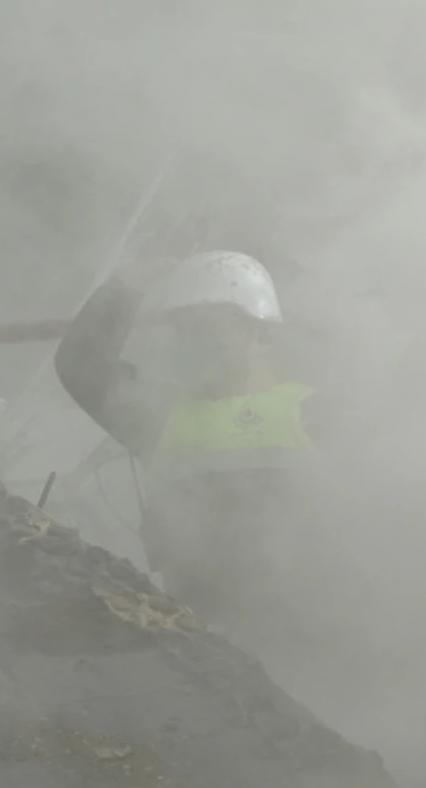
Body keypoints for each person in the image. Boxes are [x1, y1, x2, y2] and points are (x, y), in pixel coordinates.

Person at [53, 249, 316, 616]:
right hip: (202, 643)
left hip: (308, 630)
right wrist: (131, 281)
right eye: (186, 329)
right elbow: (79, 363)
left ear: (258, 330)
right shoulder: (160, 418)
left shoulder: (313, 415)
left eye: (213, 326)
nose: (197, 341)